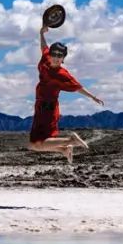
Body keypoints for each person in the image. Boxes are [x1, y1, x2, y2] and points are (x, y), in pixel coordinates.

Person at [27, 23, 105, 164]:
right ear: (50, 55)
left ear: (63, 58)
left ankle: (71, 140)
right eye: (54, 54)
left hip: (48, 109)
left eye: (60, 56)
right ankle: (64, 149)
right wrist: (41, 34)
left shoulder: (63, 74)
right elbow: (43, 47)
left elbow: (77, 87)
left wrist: (93, 96)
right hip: (39, 107)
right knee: (34, 145)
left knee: (38, 143)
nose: (56, 57)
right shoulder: (45, 60)